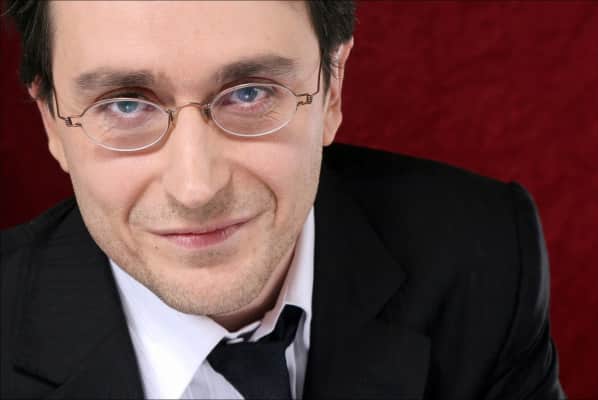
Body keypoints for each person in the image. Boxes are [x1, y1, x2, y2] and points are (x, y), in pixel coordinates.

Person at [0, 1, 565, 399]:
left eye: (250, 93)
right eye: (125, 105)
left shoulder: (484, 257)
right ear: (52, 122)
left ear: (332, 88)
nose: (196, 189)